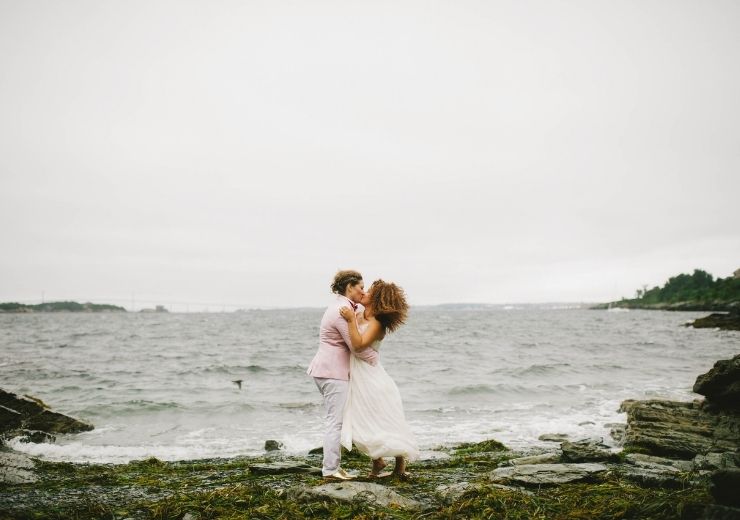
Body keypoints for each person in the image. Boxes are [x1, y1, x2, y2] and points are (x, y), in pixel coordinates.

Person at [339, 279, 419, 479]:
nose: (363, 293)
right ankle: (378, 461)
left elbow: (358, 345)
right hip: (358, 374)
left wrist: (350, 321)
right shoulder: (359, 311)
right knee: (361, 418)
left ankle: (399, 464)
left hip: (372, 376)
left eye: (368, 291)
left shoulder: (377, 324)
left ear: (377, 299)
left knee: (383, 418)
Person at [307, 269, 378, 480]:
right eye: (361, 287)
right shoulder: (341, 310)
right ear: (349, 287)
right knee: (334, 422)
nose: (363, 291)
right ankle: (330, 470)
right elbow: (356, 347)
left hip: (328, 371)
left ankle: (334, 467)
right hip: (332, 372)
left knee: (336, 420)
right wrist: (375, 360)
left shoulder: (342, 306)